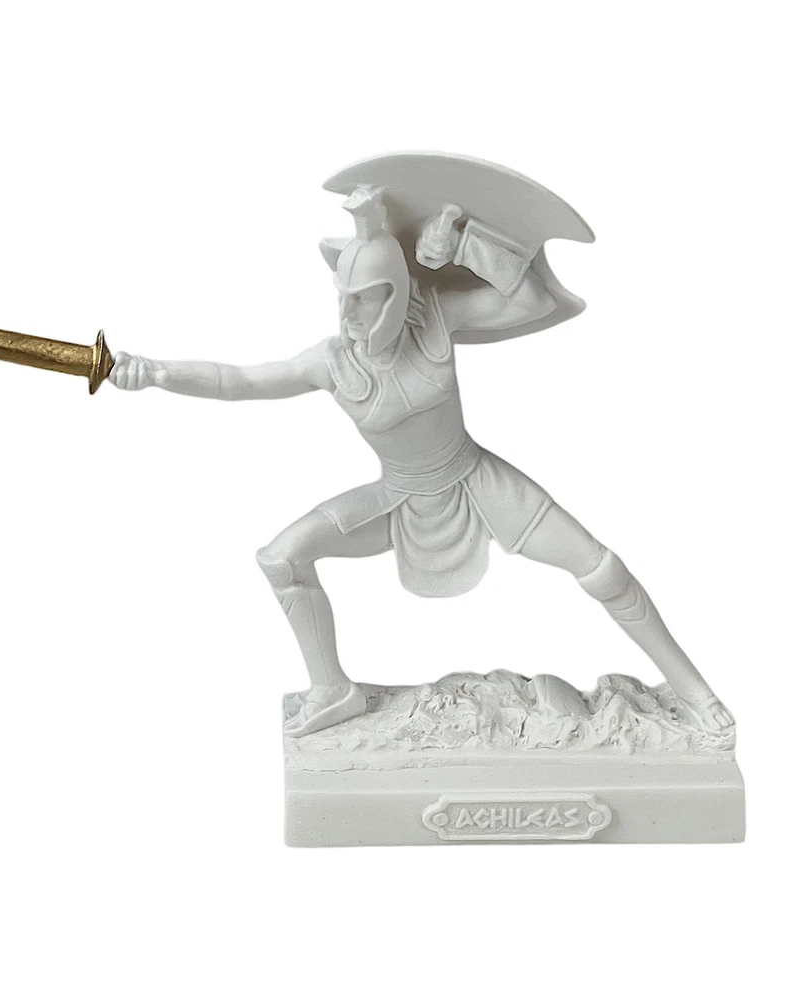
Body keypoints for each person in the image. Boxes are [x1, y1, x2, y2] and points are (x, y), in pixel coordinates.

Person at [109, 185, 733, 738]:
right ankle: (333, 691)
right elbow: (240, 381)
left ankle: (695, 692)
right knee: (283, 558)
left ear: (399, 291)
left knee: (600, 568)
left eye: (366, 299)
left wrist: (464, 243)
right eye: (343, 298)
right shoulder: (332, 361)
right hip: (400, 498)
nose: (349, 316)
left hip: (475, 480)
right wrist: (156, 372)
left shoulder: (433, 314)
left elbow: (533, 300)